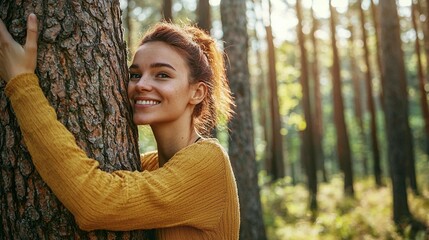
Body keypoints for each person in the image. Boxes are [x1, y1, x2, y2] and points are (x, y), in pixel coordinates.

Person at [0, 14, 240, 239]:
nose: (141, 85)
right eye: (135, 75)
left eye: (162, 75)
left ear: (197, 92)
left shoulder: (209, 161)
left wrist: (21, 84)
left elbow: (96, 203)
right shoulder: (150, 165)